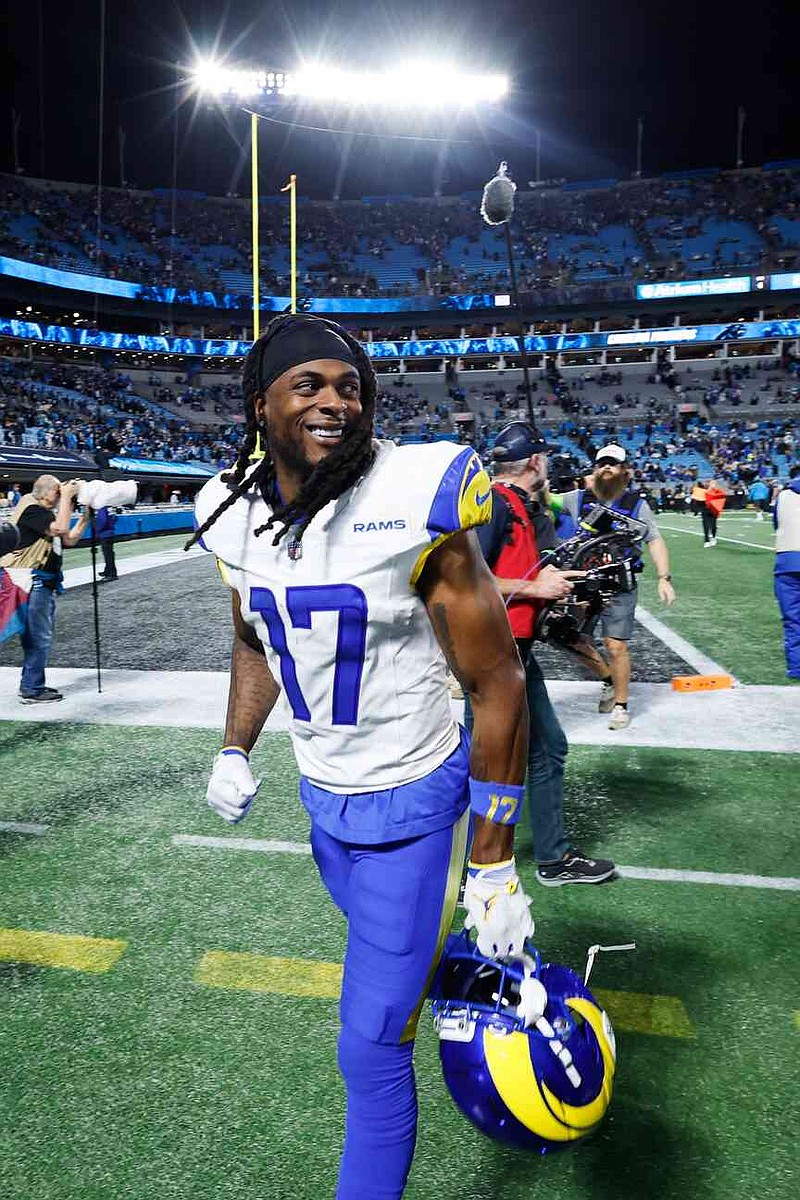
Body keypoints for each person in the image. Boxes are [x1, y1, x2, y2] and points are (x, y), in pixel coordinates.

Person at [187, 314, 534, 1200]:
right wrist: (235, 745)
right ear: (259, 404)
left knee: (372, 1046)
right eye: (309, 385)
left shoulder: (415, 494)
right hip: (325, 803)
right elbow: (256, 639)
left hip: (416, 802)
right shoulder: (228, 511)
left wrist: (493, 863)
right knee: (396, 967)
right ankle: (458, 959)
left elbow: (497, 682)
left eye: (350, 385)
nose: (335, 400)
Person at [473, 420, 615, 886]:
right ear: (535, 461)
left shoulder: (515, 504)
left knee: (546, 748)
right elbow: (466, 582)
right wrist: (535, 586)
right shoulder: (493, 504)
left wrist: (568, 588)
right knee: (480, 760)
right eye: (545, 457)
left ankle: (552, 857)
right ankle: (464, 862)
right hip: (493, 654)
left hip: (513, 653)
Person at [551, 443, 676, 730]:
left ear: (624, 471)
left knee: (615, 645)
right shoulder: (577, 498)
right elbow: (548, 500)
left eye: (613, 464)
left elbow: (654, 540)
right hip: (583, 582)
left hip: (619, 584)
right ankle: (607, 678)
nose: (606, 468)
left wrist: (664, 577)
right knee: (565, 635)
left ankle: (621, 705)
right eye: (602, 463)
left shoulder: (636, 505)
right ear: (594, 470)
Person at [11, 475, 89, 703]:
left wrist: (85, 519)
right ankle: (32, 688)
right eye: (58, 492)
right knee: (38, 637)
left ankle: (31, 684)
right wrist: (66, 496)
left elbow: (69, 539)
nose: (61, 497)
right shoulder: (32, 509)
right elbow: (61, 528)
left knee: (38, 636)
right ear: (47, 492)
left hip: (43, 582)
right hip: (33, 582)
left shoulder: (44, 514)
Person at [774, 464, 800, 680]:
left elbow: (777, 524)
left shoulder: (784, 495)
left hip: (788, 561)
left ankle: (796, 667)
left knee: (792, 618)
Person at [94, 505, 119, 580]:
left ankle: (111, 574)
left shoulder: (102, 508)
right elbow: (115, 518)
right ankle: (107, 570)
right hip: (110, 532)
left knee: (108, 555)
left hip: (104, 534)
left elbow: (102, 521)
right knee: (109, 554)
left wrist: (97, 531)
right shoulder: (110, 508)